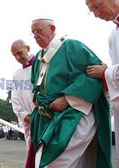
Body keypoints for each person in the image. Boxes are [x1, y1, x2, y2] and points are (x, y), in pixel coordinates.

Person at [26, 17, 112, 168]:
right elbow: (36, 84)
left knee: (55, 162)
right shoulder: (39, 57)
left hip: (73, 114)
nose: (35, 36)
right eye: (33, 33)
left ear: (52, 29)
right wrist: (37, 98)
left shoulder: (71, 47)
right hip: (46, 117)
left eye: (38, 31)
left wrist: (67, 99)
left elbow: (96, 74)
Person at [86, 0, 119, 162]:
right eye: (91, 10)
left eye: (97, 6)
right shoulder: (113, 35)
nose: (96, 14)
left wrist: (106, 73)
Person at [10, 39, 35, 150]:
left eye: (19, 53)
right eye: (14, 55)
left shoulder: (43, 64)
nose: (18, 58)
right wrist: (27, 117)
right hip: (30, 122)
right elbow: (15, 101)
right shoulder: (17, 74)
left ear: (28, 48)